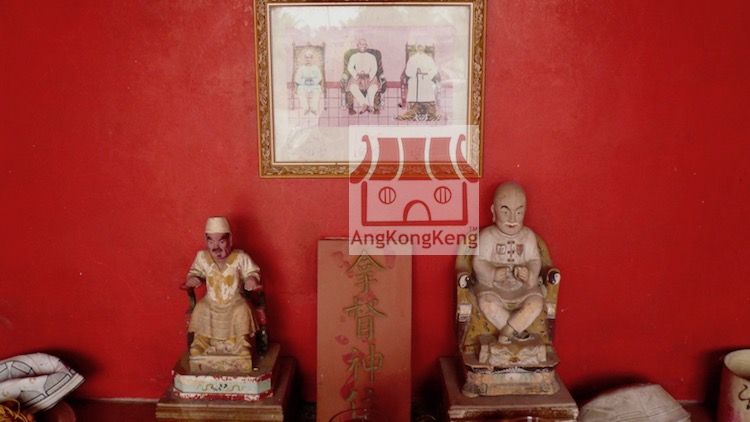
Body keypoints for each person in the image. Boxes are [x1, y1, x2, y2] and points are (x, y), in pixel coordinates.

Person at [471, 182, 543, 344]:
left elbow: (534, 260)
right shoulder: (488, 236)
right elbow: (479, 261)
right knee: (487, 303)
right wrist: (493, 273)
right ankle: (517, 331)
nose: (512, 219)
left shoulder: (528, 236)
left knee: (536, 304)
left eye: (518, 212)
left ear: (525, 211)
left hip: (522, 289)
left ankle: (507, 332)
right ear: (493, 211)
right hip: (494, 289)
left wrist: (529, 274)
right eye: (505, 212)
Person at [182, 217, 260, 356]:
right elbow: (195, 272)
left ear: (230, 240)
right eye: (211, 242)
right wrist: (192, 278)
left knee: (242, 310)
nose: (216, 247)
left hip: (234, 300)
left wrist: (251, 279)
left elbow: (252, 271)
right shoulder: (202, 257)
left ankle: (241, 343)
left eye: (221, 241)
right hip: (211, 301)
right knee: (201, 309)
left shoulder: (240, 257)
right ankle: (201, 342)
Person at [396, 42, 441, 121]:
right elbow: (408, 71)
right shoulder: (412, 59)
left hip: (426, 78)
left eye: (421, 47)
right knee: (412, 84)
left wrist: (428, 74)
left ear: (423, 48)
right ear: (417, 48)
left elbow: (434, 70)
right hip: (415, 78)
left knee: (427, 85)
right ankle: (412, 110)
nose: (420, 49)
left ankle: (430, 112)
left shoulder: (428, 59)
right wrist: (415, 73)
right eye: (419, 47)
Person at [346, 38, 380, 114]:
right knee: (352, 87)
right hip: (358, 77)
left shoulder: (371, 56)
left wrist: (370, 76)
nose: (362, 46)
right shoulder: (354, 56)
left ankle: (366, 106)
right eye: (361, 44)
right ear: (357, 46)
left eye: (364, 44)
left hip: (369, 77)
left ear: (366, 46)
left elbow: (374, 68)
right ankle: (365, 104)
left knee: (373, 88)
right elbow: (350, 67)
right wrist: (356, 75)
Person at [294, 49, 323, 116]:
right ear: (305, 58)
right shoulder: (301, 68)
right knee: (300, 90)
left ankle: (313, 108)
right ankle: (306, 108)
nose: (308, 59)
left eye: (310, 57)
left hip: (314, 85)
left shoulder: (316, 68)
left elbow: (319, 78)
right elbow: (297, 79)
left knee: (317, 90)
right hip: (304, 85)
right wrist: (305, 80)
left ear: (312, 58)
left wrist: (313, 80)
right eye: (307, 57)